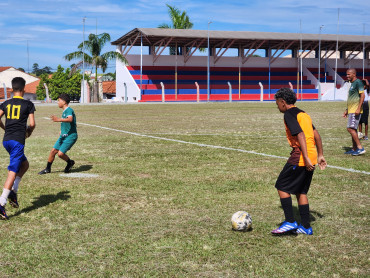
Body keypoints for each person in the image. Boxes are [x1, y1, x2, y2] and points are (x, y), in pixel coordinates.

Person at [272, 87, 326, 235]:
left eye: (277, 103)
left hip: (301, 157)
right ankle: (306, 227)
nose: (277, 106)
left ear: (283, 102)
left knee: (282, 186)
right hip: (312, 155)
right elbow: (316, 135)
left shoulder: (289, 114)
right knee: (301, 191)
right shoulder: (304, 114)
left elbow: (300, 134)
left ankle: (290, 221)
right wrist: (319, 155)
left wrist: (306, 158)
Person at [0, 77, 36, 219]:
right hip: (17, 141)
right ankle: (1, 203)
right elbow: (32, 124)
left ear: (12, 89)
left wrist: (5, 128)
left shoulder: (6, 103)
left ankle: (13, 191)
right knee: (12, 172)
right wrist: (28, 132)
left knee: (25, 165)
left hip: (7, 141)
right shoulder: (28, 104)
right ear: (24, 89)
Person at [38, 94, 77, 175]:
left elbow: (70, 119)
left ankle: (70, 162)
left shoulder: (69, 110)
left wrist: (58, 119)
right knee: (53, 151)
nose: (57, 102)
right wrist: (62, 130)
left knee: (60, 154)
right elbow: (69, 123)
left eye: (59, 100)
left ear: (64, 102)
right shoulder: (64, 111)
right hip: (63, 136)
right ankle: (47, 169)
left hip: (70, 136)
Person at [343, 69, 365, 155]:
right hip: (351, 110)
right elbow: (351, 98)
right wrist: (347, 110)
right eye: (346, 74)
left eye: (349, 74)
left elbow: (362, 95)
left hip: (355, 110)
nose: (347, 76)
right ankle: (354, 148)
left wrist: (358, 108)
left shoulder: (358, 82)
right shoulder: (352, 84)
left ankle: (360, 148)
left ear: (354, 74)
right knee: (353, 129)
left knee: (350, 129)